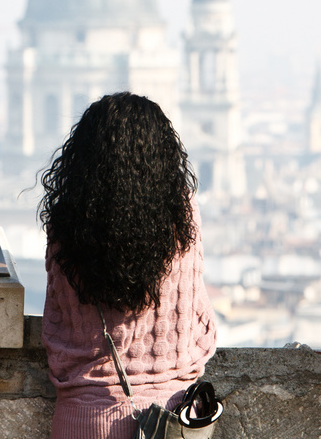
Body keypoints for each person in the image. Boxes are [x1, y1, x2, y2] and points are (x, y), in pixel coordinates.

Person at [40, 92, 218, 439]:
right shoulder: (182, 216)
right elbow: (202, 323)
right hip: (172, 421)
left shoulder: (68, 222)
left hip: (83, 418)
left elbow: (55, 320)